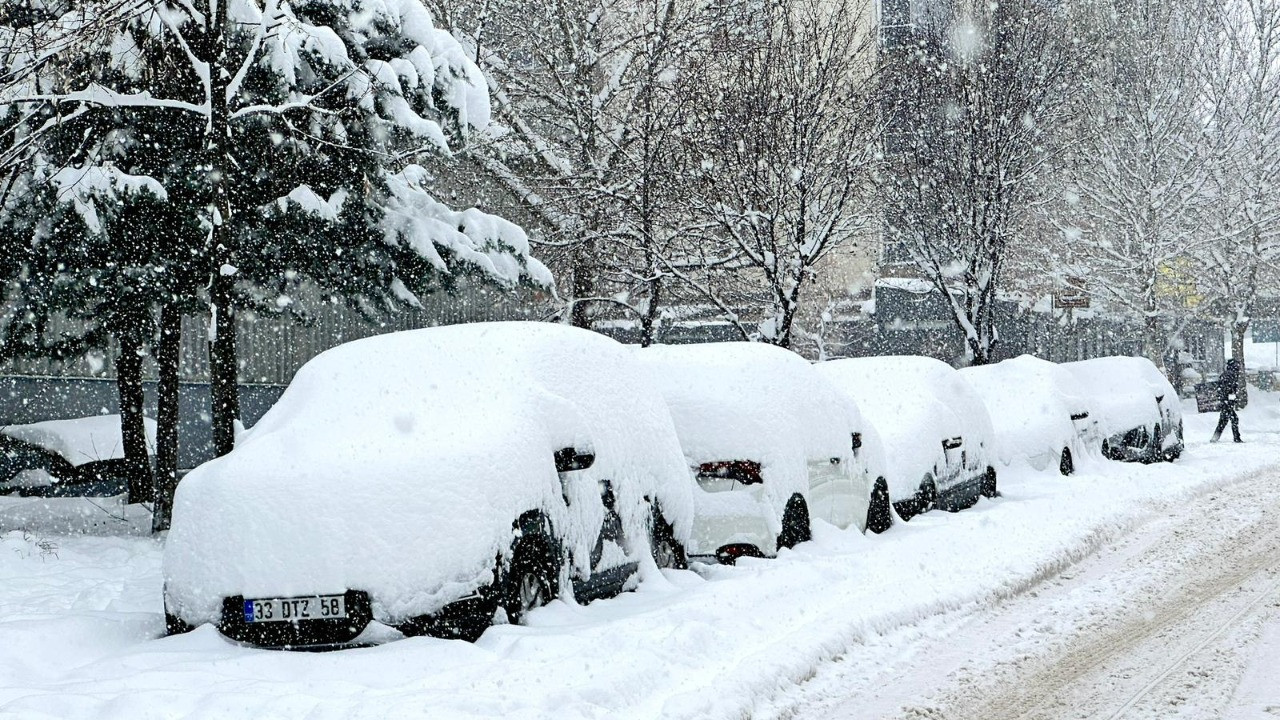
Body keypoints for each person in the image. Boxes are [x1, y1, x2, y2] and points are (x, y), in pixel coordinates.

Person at [1211, 358, 1243, 443]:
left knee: (1224, 420)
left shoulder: (1227, 374)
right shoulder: (1230, 375)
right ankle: (1236, 438)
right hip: (1227, 402)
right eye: (1237, 365)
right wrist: (1229, 399)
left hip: (1226, 402)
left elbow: (1222, 388)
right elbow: (1228, 389)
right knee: (1233, 419)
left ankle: (1215, 438)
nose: (1238, 367)